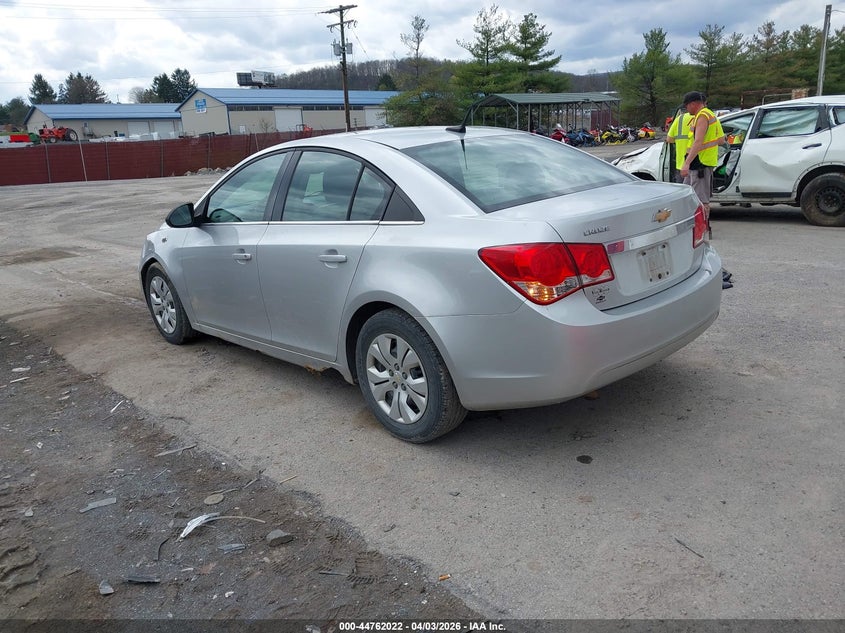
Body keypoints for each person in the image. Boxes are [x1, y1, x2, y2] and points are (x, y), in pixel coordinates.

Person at [679, 91, 725, 232]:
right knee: (686, 194)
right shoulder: (709, 115)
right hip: (701, 162)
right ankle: (694, 227)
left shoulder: (703, 116)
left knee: (700, 199)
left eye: (687, 106)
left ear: (693, 104)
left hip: (700, 163)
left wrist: (687, 163)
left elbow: (698, 141)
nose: (686, 109)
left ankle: (702, 229)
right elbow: (721, 140)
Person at [665, 108, 692, 183]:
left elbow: (669, 139)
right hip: (700, 164)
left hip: (681, 163)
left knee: (682, 187)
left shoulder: (679, 119)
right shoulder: (702, 117)